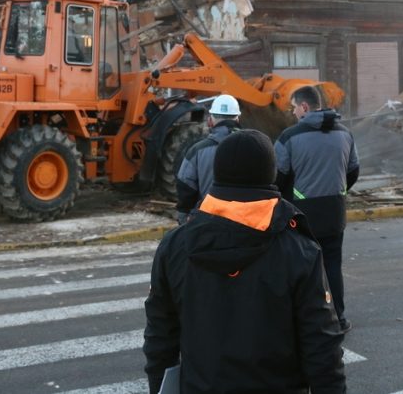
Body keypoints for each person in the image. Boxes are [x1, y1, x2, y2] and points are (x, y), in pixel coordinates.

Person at [143, 129, 346, 394]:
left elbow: (160, 339)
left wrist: (159, 387)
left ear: (218, 173)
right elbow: (322, 348)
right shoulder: (298, 250)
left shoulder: (174, 246)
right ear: (271, 174)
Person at [276, 85, 360, 333]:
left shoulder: (289, 137)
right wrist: (339, 190)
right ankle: (338, 318)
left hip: (301, 214)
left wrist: (287, 200)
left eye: (293, 107)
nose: (292, 112)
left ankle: (305, 320)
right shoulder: (345, 134)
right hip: (335, 210)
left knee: (301, 268)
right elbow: (353, 170)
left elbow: (277, 177)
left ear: (304, 107)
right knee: (332, 264)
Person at [175, 94, 241, 223]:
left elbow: (185, 186)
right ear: (238, 119)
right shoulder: (255, 147)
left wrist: (183, 218)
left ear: (210, 120)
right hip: (245, 222)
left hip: (207, 221)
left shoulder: (197, 151)